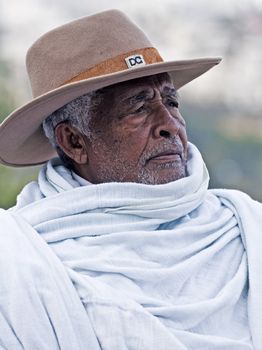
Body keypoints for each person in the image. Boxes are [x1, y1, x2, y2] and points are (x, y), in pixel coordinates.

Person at [0, 9, 261, 350]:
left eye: (172, 102)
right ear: (74, 141)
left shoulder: (247, 228)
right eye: (139, 107)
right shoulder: (18, 265)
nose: (170, 124)